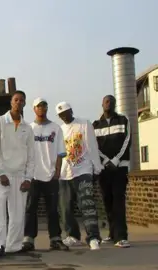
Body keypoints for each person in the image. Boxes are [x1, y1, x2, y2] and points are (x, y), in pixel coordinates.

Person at [0, 91, 34, 256]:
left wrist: (28, 178)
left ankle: (13, 245)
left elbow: (31, 155)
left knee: (18, 212)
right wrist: (0, 172)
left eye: (22, 100)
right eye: (16, 100)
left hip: (20, 175)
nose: (19, 102)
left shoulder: (27, 128)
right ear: (11, 102)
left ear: (24, 103)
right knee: (0, 210)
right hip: (2, 173)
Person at [21, 98, 68, 252]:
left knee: (53, 209)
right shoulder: (29, 128)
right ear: (34, 109)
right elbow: (25, 153)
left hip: (50, 174)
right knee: (30, 208)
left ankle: (55, 238)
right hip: (33, 175)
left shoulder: (56, 128)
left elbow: (61, 152)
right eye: (39, 106)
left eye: (44, 106)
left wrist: (58, 171)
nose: (42, 109)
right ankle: (28, 238)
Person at [55, 101, 103, 251]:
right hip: (65, 173)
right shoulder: (59, 130)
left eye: (66, 113)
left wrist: (97, 167)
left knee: (87, 204)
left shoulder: (84, 124)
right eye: (61, 115)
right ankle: (73, 235)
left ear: (71, 111)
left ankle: (93, 237)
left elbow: (92, 145)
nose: (64, 116)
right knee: (65, 207)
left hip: (83, 169)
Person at [92, 95, 131, 248]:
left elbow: (127, 141)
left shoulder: (123, 120)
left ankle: (121, 237)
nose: (109, 103)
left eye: (112, 101)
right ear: (102, 104)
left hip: (120, 167)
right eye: (107, 101)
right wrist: (106, 161)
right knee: (107, 200)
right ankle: (112, 233)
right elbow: (94, 146)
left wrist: (115, 160)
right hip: (104, 168)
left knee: (118, 201)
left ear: (115, 104)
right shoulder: (95, 125)